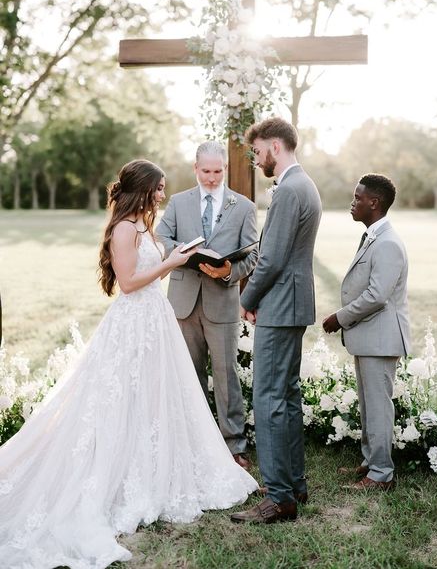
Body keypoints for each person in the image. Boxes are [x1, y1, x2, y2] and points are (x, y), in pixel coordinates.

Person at [0, 159, 257, 569]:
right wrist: (174, 262)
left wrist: (176, 254)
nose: (162, 195)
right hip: (132, 322)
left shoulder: (142, 225)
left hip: (154, 321)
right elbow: (128, 283)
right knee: (118, 396)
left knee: (154, 395)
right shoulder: (124, 228)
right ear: (143, 189)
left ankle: (154, 465)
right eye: (158, 189)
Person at [230, 118, 322, 524]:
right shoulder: (305, 185)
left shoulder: (289, 189)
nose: (256, 158)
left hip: (280, 305)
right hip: (292, 303)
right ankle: (294, 483)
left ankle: (279, 497)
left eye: (258, 151)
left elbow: (272, 258)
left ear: (275, 146)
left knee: (268, 399)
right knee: (286, 395)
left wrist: (246, 299)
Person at [157, 141, 258, 470]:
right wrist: (183, 254)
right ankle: (194, 441)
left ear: (224, 170)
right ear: (195, 169)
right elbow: (161, 239)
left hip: (222, 301)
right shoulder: (178, 202)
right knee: (189, 374)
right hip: (183, 302)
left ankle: (234, 446)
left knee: (227, 375)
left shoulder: (242, 206)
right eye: (206, 171)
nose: (212, 178)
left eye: (217, 172)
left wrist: (229, 270)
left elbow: (253, 255)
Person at [322, 173, 411, 491]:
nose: (353, 201)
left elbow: (376, 296)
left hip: (381, 338)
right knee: (369, 403)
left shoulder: (387, 243)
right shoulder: (374, 235)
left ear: (374, 202)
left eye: (358, 197)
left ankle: (381, 473)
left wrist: (340, 318)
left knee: (377, 405)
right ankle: (370, 462)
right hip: (370, 338)